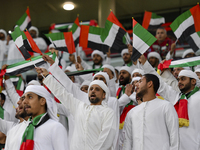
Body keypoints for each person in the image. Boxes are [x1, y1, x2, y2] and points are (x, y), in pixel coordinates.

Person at [38, 68, 117, 150]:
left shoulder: (108, 112)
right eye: (91, 89)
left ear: (104, 95)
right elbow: (62, 93)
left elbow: (106, 139)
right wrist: (47, 76)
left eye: (97, 89)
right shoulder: (80, 107)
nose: (93, 91)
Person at [139, 57, 200, 150]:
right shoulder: (177, 97)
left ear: (193, 81)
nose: (179, 82)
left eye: (183, 79)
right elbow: (160, 84)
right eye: (178, 79)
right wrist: (145, 63)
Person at [122, 74, 179, 150]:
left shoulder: (166, 106)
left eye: (140, 81)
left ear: (150, 84)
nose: (136, 84)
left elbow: (174, 137)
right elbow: (127, 142)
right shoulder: (132, 112)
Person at [20, 85, 68, 150]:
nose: (24, 102)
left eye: (30, 97)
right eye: (24, 98)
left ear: (42, 101)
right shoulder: (26, 128)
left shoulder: (56, 128)